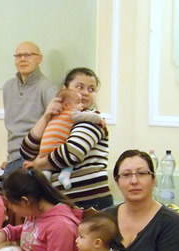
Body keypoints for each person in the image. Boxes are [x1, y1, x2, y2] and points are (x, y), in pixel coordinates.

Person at [21, 67, 113, 210]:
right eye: (80, 87)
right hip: (62, 203)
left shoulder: (93, 118)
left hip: (90, 202)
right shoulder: (57, 119)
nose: (85, 93)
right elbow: (27, 151)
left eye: (91, 89)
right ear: (65, 89)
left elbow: (71, 154)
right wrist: (46, 116)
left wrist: (37, 164)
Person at [2, 42, 58, 177]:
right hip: (13, 158)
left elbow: (55, 128)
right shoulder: (8, 87)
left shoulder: (48, 88)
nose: (22, 59)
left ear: (39, 59)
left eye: (27, 55)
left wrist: (39, 161)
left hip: (33, 159)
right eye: (18, 55)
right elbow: (11, 128)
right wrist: (9, 160)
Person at [35, 89, 102, 189]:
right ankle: (64, 176)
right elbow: (85, 116)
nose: (81, 105)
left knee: (46, 170)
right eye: (78, 102)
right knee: (68, 163)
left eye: (91, 89)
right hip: (56, 147)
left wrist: (36, 164)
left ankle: (45, 181)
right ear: (66, 105)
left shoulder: (54, 116)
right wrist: (99, 119)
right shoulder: (71, 113)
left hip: (43, 150)